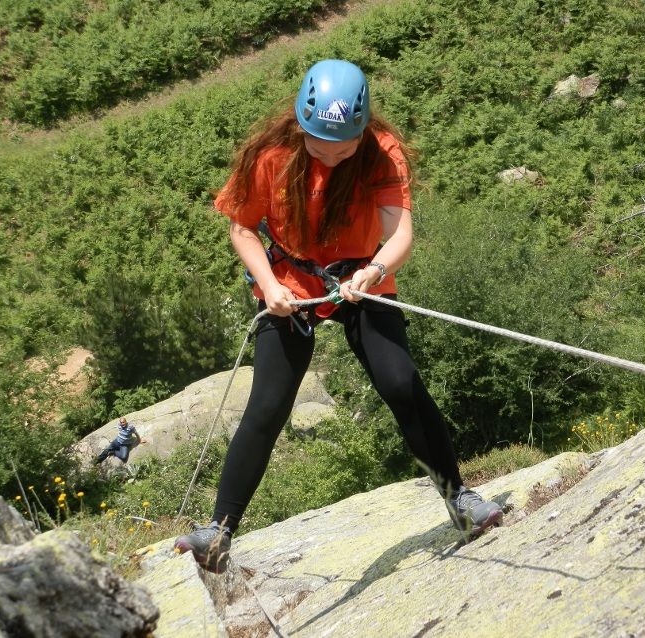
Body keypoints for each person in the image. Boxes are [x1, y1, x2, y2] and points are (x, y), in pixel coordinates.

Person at [174, 59, 503, 573]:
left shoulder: (380, 152)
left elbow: (400, 235)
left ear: (362, 130)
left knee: (400, 382)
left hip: (360, 277)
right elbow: (242, 228)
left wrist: (373, 271)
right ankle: (218, 531)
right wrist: (269, 285)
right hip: (290, 281)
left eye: (343, 148)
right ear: (300, 125)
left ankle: (459, 498)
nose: (330, 156)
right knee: (268, 404)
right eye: (319, 146)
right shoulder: (271, 155)